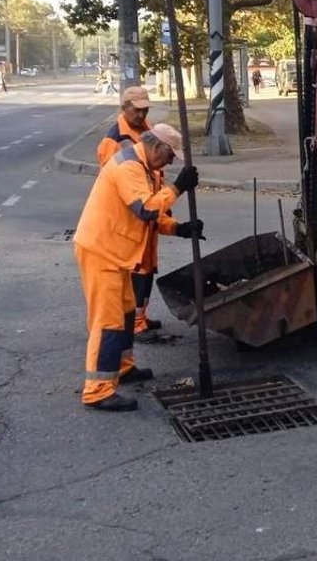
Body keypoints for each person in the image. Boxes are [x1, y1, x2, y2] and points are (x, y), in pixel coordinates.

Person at [72, 123, 204, 412]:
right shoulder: (128, 167)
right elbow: (144, 208)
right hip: (100, 251)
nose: (170, 162)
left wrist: (180, 228)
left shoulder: (147, 169)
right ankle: (97, 390)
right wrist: (179, 187)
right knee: (108, 321)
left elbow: (155, 214)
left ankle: (123, 367)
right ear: (158, 147)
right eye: (170, 156)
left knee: (127, 312)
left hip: (116, 253)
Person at [96, 86, 165, 340]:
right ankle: (134, 323)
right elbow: (114, 183)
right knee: (134, 270)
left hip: (147, 211)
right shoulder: (113, 140)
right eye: (137, 109)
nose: (141, 113)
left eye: (145, 109)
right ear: (124, 108)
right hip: (133, 214)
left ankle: (141, 316)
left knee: (147, 268)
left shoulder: (147, 129)